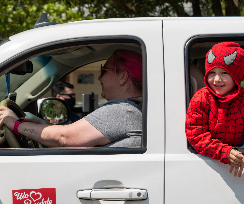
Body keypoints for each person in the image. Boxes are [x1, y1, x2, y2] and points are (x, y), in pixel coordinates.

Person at [0, 49, 143, 148]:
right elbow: (76, 143)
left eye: (103, 71)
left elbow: (64, 138)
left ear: (123, 76)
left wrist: (16, 125)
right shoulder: (136, 109)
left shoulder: (123, 110)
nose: (99, 77)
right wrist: (38, 122)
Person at [185, 42, 244, 177]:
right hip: (207, 167)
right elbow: (196, 135)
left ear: (236, 75)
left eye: (224, 73)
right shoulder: (201, 98)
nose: (217, 79)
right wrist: (225, 152)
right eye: (212, 72)